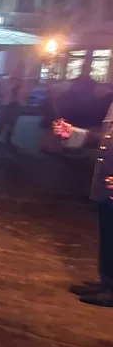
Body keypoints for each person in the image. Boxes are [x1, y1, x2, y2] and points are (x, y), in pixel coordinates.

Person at [54, 109, 113, 307]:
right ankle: (108, 283)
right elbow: (107, 139)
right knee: (109, 237)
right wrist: (75, 133)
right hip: (108, 187)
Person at [0, 63, 28, 145]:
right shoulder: (5, 81)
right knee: (2, 121)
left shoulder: (24, 83)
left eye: (20, 72)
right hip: (6, 104)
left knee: (12, 123)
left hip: (17, 105)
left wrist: (21, 97)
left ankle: (8, 139)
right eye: (16, 72)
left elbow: (26, 94)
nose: (18, 73)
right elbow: (0, 92)